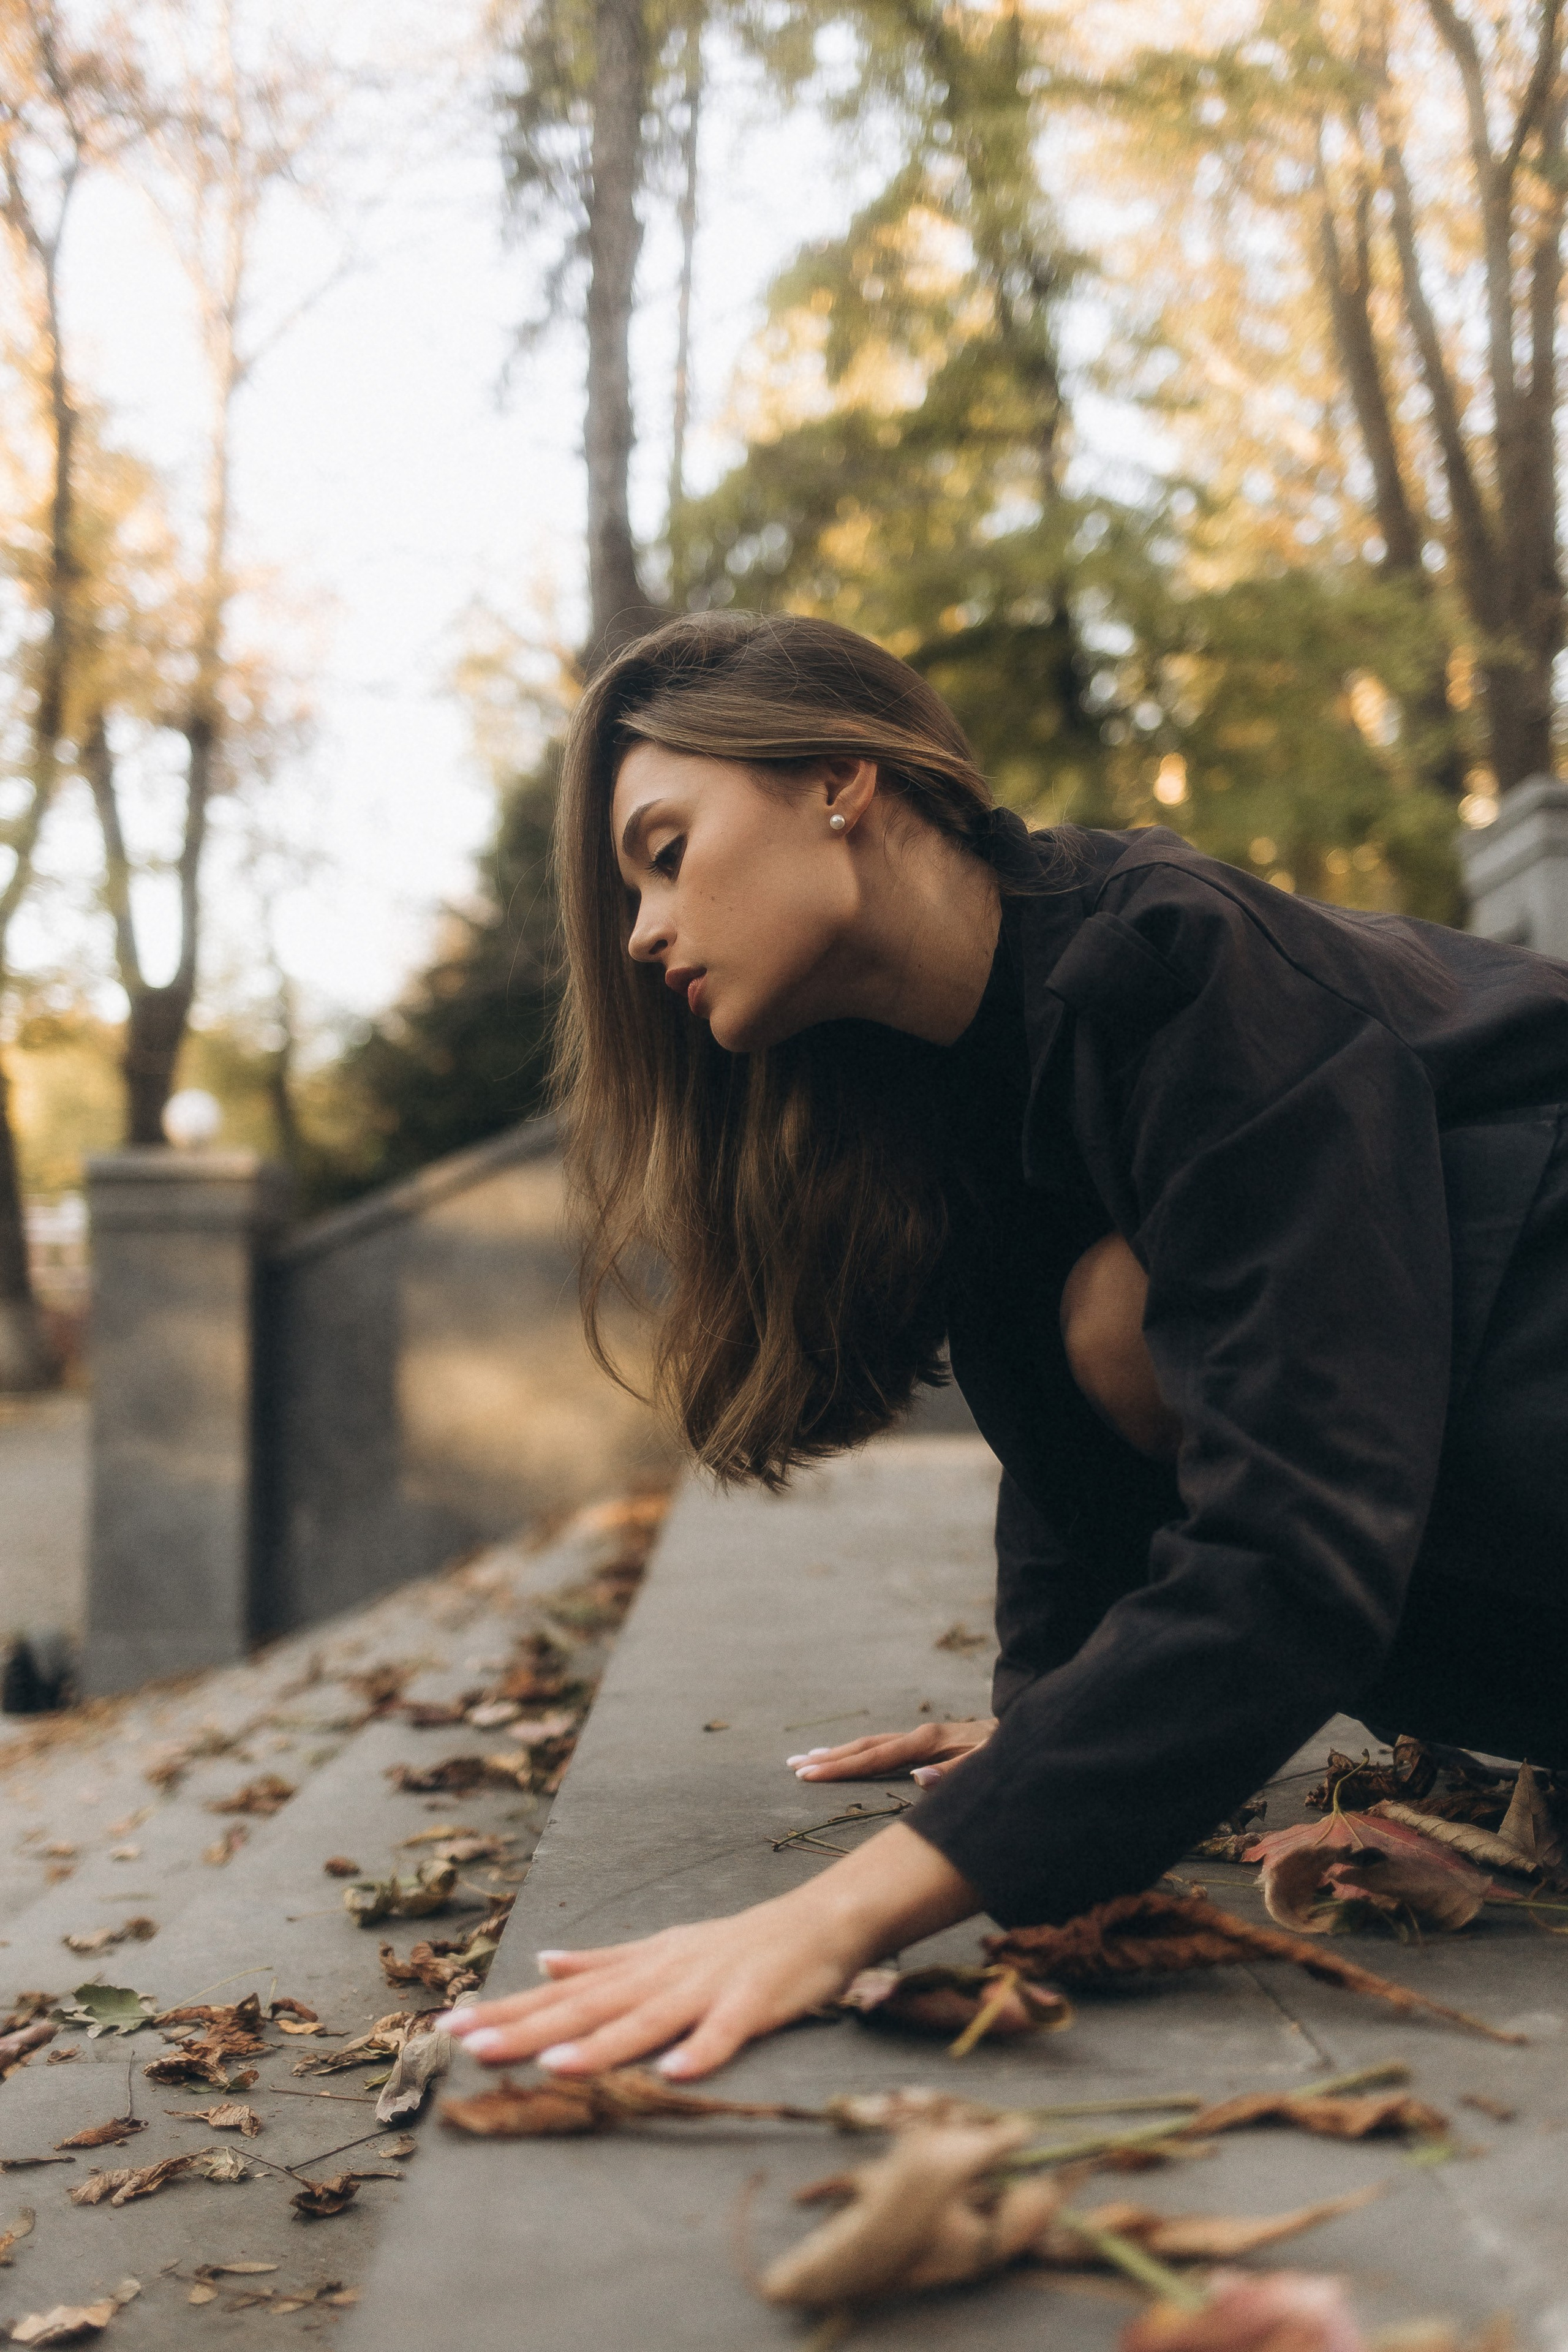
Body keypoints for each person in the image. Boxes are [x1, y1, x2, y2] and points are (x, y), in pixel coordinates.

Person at [442, 610, 1568, 2083]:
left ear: (839, 782)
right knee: (1109, 1311)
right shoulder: (945, 1071)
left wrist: (841, 1914)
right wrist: (1053, 1731)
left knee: (1141, 1309)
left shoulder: (1178, 962)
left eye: (664, 850)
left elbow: (1298, 1535)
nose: (645, 927)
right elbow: (1057, 1452)